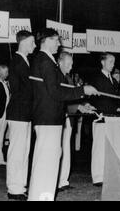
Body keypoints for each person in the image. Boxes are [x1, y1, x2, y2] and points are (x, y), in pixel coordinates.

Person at [28, 28, 98, 201]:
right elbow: (55, 92)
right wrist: (82, 90)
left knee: (49, 158)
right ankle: (41, 197)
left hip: (49, 117)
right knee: (47, 160)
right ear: (47, 40)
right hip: (48, 118)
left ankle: (43, 196)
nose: (59, 44)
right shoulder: (45, 61)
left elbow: (56, 90)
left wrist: (80, 98)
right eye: (56, 40)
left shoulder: (45, 60)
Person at [57, 52, 96, 191]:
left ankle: (63, 180)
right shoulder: (58, 77)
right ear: (60, 62)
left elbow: (71, 98)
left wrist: (83, 105)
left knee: (66, 150)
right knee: (60, 150)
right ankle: (58, 181)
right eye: (69, 63)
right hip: (61, 118)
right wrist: (77, 106)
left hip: (69, 119)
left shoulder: (67, 78)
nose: (71, 66)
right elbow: (60, 100)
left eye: (72, 63)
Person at [5, 30, 35, 201]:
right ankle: (14, 188)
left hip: (24, 113)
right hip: (18, 112)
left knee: (23, 151)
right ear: (23, 43)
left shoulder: (24, 61)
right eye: (32, 42)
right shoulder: (17, 61)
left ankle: (20, 186)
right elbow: (22, 90)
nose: (35, 45)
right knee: (17, 151)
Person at [89, 53, 120, 186]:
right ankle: (98, 177)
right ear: (102, 62)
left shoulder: (114, 81)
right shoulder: (96, 78)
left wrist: (119, 108)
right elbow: (97, 99)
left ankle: (106, 174)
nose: (113, 64)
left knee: (108, 148)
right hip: (101, 117)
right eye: (110, 62)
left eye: (114, 62)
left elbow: (117, 99)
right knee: (99, 147)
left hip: (112, 118)